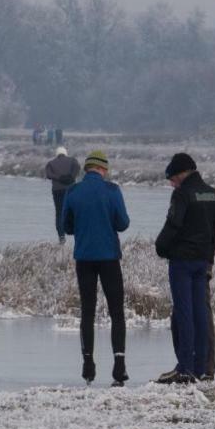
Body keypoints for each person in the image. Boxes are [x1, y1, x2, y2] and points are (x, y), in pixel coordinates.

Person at [154, 152, 215, 383]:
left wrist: (161, 246)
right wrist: (207, 230)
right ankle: (201, 368)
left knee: (184, 312)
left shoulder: (182, 194)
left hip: (181, 261)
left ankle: (185, 368)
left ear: (181, 173)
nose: (171, 184)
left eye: (172, 179)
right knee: (201, 312)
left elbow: (173, 224)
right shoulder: (212, 193)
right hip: (203, 260)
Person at [61, 150, 130, 386]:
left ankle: (88, 364)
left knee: (87, 312)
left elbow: (66, 226)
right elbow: (123, 223)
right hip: (110, 257)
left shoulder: (73, 191)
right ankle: (119, 366)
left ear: (86, 169)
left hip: (84, 258)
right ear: (103, 169)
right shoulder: (112, 190)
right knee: (116, 312)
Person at [44, 146, 81, 243]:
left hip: (57, 191)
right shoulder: (73, 161)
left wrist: (59, 178)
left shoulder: (51, 163)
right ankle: (77, 234)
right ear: (65, 153)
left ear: (57, 154)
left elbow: (48, 175)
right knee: (74, 211)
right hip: (71, 189)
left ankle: (61, 237)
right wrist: (71, 177)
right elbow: (78, 167)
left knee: (59, 213)